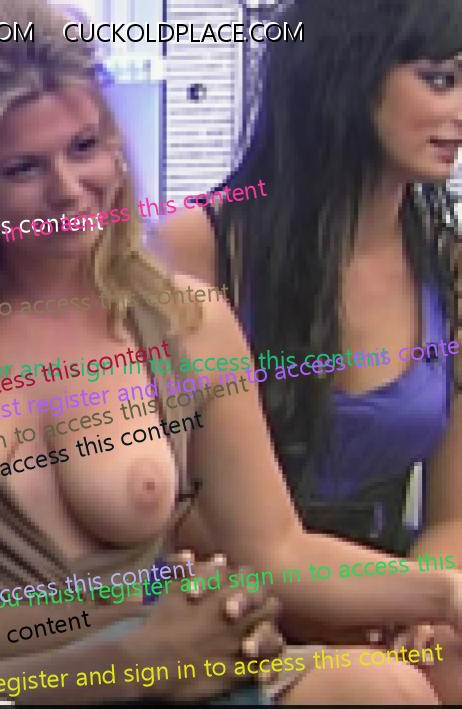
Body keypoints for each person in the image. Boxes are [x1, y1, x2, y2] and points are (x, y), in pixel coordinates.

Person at [0, 0, 461, 703]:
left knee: (382, 689)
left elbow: (278, 551)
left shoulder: (185, 321)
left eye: (85, 146)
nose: (69, 190)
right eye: (24, 167)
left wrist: (446, 594)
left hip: (159, 670)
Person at [154, 0, 462, 700]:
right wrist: (378, 603)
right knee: (383, 691)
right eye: (440, 80)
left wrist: (418, 607)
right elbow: (179, 515)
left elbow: (452, 517)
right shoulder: (198, 250)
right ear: (347, 77)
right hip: (232, 604)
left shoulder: (447, 268)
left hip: (388, 594)